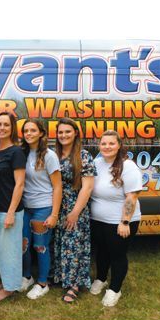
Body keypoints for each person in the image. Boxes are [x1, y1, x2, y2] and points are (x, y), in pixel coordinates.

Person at [90, 130, 142, 307]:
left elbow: (132, 196)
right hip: (98, 220)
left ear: (119, 145)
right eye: (103, 143)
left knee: (117, 254)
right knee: (102, 251)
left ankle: (115, 289)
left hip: (120, 221)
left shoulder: (128, 166)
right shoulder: (96, 163)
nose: (107, 147)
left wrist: (125, 221)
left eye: (111, 143)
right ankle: (101, 278)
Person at [53, 117, 96, 303]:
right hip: (57, 205)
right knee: (61, 243)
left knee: (75, 245)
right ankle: (62, 277)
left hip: (75, 206)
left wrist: (75, 212)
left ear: (76, 133)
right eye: (60, 132)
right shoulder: (53, 155)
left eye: (67, 131)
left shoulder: (83, 156)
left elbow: (87, 187)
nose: (63, 135)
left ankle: (75, 284)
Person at [20, 119, 62, 299]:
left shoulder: (49, 156)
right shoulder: (22, 153)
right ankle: (27, 277)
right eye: (26, 131)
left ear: (41, 133)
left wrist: (54, 214)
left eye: (32, 130)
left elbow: (58, 186)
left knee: (40, 246)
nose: (28, 133)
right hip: (25, 207)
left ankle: (43, 283)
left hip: (43, 207)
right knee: (23, 245)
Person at [0, 112, 26, 301]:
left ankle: (10, 288)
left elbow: (19, 184)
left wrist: (11, 213)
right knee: (0, 251)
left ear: (12, 129)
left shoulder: (16, 152)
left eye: (6, 125)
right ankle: (5, 281)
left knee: (9, 251)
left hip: (9, 211)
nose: (2, 128)